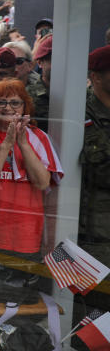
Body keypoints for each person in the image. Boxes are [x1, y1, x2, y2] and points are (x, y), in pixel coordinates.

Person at [0, 79, 62, 258]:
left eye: (15, 102)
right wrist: (7, 144)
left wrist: (23, 144)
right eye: (0, 102)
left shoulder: (39, 137)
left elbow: (42, 183)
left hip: (25, 234)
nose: (7, 108)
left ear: (25, 106)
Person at [80, 46, 110, 308]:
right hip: (91, 233)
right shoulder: (81, 113)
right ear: (97, 77)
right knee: (91, 309)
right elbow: (100, 169)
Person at [27, 34, 52, 130]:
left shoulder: (80, 95)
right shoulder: (27, 96)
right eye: (53, 60)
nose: (60, 64)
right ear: (40, 63)